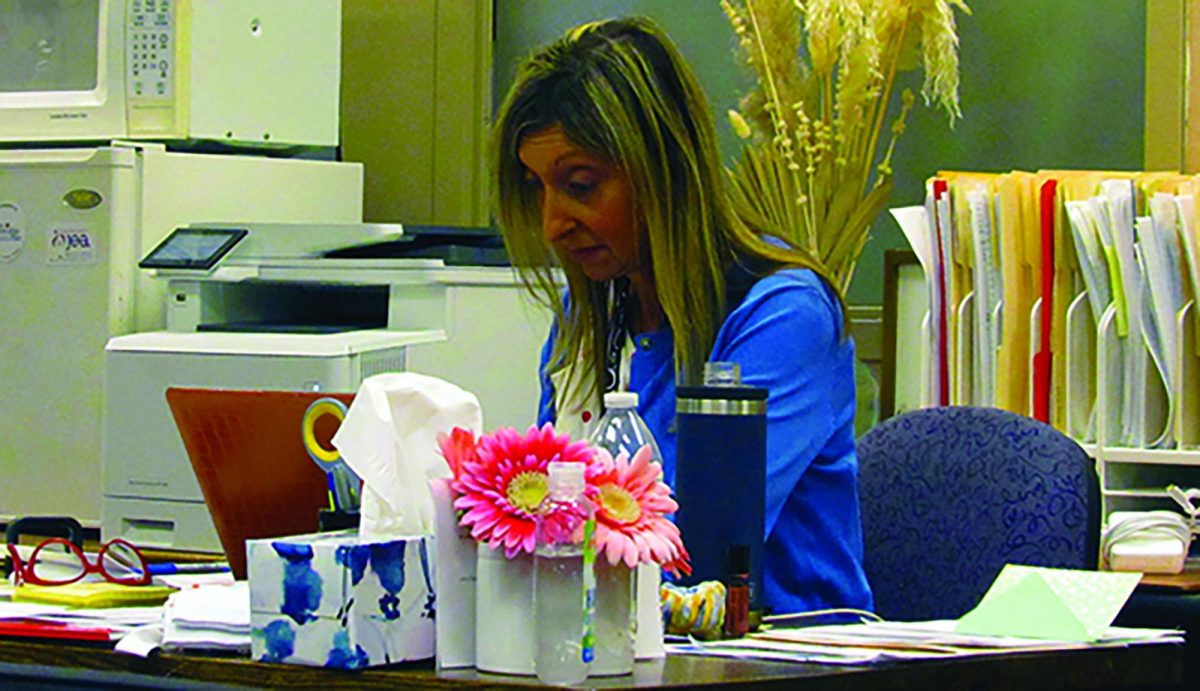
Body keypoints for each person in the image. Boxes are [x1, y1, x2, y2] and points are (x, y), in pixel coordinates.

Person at [490, 16, 872, 616]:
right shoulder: (586, 318)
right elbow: (541, 522)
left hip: (785, 655)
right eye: (537, 188)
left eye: (581, 184)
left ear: (663, 169)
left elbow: (694, 549)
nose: (552, 225)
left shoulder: (786, 315)